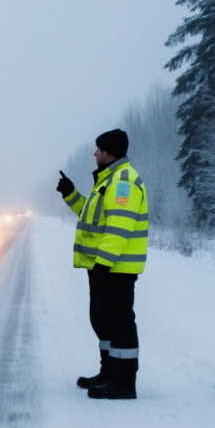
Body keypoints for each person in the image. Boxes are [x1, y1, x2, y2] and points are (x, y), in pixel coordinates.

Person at [56, 128, 149, 399]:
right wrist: (71, 194)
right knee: (103, 321)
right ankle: (109, 373)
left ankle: (123, 384)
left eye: (98, 149)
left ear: (108, 152)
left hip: (115, 269)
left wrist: (103, 264)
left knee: (119, 323)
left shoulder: (122, 182)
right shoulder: (107, 180)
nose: (94, 153)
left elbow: (120, 227)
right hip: (106, 267)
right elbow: (91, 217)